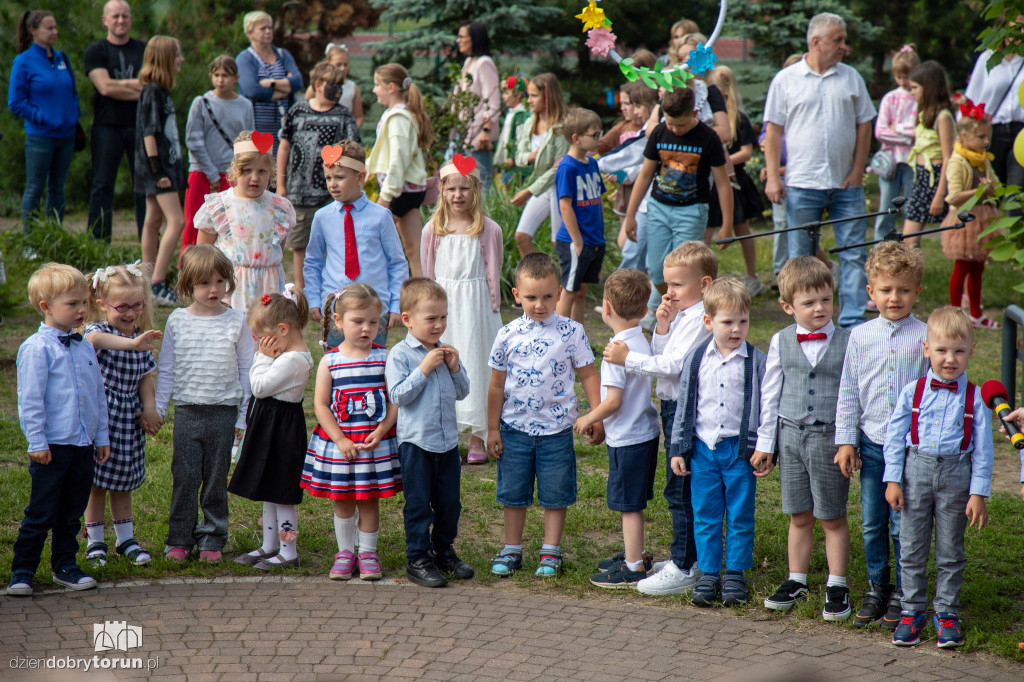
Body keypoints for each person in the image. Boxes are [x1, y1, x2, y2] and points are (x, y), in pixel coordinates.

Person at [602, 241, 715, 596]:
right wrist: (663, 325)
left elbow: (673, 367)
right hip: (672, 408)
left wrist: (627, 360)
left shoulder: (700, 319)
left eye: (678, 285)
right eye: (667, 285)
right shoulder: (684, 315)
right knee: (677, 486)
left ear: (705, 284)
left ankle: (685, 567)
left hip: (685, 410)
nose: (670, 292)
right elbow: (663, 354)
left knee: (680, 488)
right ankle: (687, 558)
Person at [486, 253, 603, 577]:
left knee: (555, 492)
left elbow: (589, 375)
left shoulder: (572, 331)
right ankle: (512, 549)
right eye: (531, 297)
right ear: (516, 295)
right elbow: (496, 386)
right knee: (513, 492)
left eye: (548, 296)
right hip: (514, 429)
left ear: (560, 293)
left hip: (557, 431)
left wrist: (596, 415)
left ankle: (551, 551)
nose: (540, 304)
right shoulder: (507, 334)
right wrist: (492, 429)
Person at [884, 306, 992, 648]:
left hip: (957, 474)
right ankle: (911, 609)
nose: (950, 359)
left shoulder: (975, 398)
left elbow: (984, 450)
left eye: (959, 351)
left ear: (971, 352)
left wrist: (978, 493)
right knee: (911, 545)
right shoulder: (911, 391)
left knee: (950, 548)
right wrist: (893, 479)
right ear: (926, 348)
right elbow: (894, 437)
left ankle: (946, 612)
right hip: (916, 469)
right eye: (942, 350)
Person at [752, 256, 853, 621]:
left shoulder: (847, 341)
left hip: (829, 439)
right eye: (808, 303)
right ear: (787, 306)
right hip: (790, 436)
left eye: (826, 300)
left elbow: (849, 396)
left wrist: (848, 441)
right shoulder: (780, 341)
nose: (819, 308)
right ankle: (797, 579)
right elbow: (770, 393)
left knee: (832, 515)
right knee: (799, 514)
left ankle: (837, 583)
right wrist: (766, 443)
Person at [834, 241, 928, 630]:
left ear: (917, 291)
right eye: (886, 290)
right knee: (872, 521)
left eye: (904, 290)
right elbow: (849, 390)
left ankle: (906, 593)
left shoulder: (925, 336)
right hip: (871, 443)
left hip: (910, 449)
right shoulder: (859, 336)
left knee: (901, 524)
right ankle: (878, 586)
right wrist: (846, 440)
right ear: (871, 292)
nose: (895, 297)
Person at [763, 13, 876, 330]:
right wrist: (773, 177)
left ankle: (852, 323)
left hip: (846, 186)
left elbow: (865, 123)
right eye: (838, 40)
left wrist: (857, 169)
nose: (844, 46)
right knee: (801, 261)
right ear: (816, 42)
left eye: (843, 39)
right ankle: (807, 325)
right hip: (801, 185)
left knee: (853, 254)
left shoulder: (851, 78)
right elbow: (772, 131)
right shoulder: (786, 79)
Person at [7, 264, 110, 597]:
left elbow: (98, 395)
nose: (81, 310)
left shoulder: (83, 347)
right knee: (41, 511)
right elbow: (31, 400)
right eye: (72, 304)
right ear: (46, 307)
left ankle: (65, 566)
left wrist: (102, 436)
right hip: (52, 445)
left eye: (84, 303)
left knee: (71, 512)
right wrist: (36, 440)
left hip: (82, 445)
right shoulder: (37, 349)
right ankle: (22, 570)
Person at [668, 278, 768, 606]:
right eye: (728, 322)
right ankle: (709, 572)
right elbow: (684, 406)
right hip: (702, 449)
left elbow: (767, 407)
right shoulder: (697, 359)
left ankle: (735, 573)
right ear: (709, 322)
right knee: (705, 512)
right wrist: (679, 449)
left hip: (739, 451)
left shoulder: (756, 361)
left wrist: (766, 448)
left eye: (743, 321)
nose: (736, 329)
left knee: (739, 513)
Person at [155, 245, 255, 563]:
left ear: (228, 282)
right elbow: (167, 370)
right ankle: (180, 538)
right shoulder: (177, 321)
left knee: (215, 478)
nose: (213, 290)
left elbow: (246, 372)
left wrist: (242, 418)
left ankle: (212, 536)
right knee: (185, 476)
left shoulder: (238, 321)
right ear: (188, 285)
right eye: (203, 283)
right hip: (187, 411)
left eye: (219, 281)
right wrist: (157, 410)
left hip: (224, 410)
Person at [302, 285, 400, 581]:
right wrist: (340, 439)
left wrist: (383, 429)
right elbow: (320, 405)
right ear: (339, 320)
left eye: (373, 322)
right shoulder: (330, 361)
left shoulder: (385, 357)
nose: (366, 328)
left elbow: (395, 400)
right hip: (341, 443)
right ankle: (345, 553)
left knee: (369, 498)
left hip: (374, 443)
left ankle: (368, 554)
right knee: (343, 499)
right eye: (358, 321)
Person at [385, 278, 473, 587]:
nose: (439, 324)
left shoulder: (445, 351)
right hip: (417, 444)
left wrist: (455, 367)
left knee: (450, 503)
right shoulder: (401, 355)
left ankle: (443, 550)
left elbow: (463, 392)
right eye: (431, 318)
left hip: (448, 443)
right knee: (420, 503)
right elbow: (398, 396)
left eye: (443, 317)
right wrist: (423, 369)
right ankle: (418, 558)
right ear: (407, 319)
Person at [576, 269, 661, 589]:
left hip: (628, 438)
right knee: (632, 501)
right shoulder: (640, 339)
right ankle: (632, 551)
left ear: (606, 308)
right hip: (645, 431)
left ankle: (634, 564)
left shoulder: (615, 351)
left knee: (629, 505)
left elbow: (612, 402)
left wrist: (588, 418)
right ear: (643, 311)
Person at [420, 160, 503, 464]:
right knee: (443, 364)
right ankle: (448, 436)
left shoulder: (488, 229)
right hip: (445, 308)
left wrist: (492, 306)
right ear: (441, 190)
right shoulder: (433, 230)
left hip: (477, 307)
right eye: (451, 188)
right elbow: (428, 274)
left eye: (464, 187)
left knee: (477, 364)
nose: (458, 194)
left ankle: (478, 435)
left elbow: (495, 268)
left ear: (476, 190)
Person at [82, 261, 163, 568]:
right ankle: (95, 542)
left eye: (137, 306)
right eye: (123, 306)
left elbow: (145, 378)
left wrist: (150, 409)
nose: (131, 313)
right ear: (102, 305)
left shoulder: (141, 337)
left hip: (128, 418)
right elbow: (92, 341)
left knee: (122, 481)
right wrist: (132, 343)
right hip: (101, 418)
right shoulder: (98, 330)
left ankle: (125, 538)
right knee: (97, 483)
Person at [622, 86, 733, 307]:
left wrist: (727, 224)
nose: (674, 129)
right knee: (656, 269)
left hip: (692, 211)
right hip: (658, 208)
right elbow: (644, 175)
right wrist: (630, 215)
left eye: (680, 124)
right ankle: (673, 307)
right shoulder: (659, 133)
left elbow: (722, 183)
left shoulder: (708, 138)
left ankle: (682, 313)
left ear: (694, 113)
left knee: (685, 270)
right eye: (669, 122)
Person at [229, 288, 313, 571]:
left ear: (282, 329)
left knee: (281, 493)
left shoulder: (294, 360)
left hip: (282, 434)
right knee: (268, 489)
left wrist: (262, 358)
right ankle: (269, 545)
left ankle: (288, 551)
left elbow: (260, 387)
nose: (260, 344)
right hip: (271, 428)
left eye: (262, 337)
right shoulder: (288, 354)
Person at [303, 140, 409, 349]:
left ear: (360, 177)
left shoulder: (381, 216)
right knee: (337, 366)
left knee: (374, 366)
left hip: (375, 310)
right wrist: (314, 300)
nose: (332, 183)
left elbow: (397, 262)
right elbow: (313, 262)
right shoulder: (322, 217)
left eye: (340, 178)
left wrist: (396, 304)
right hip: (337, 309)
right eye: (328, 178)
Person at [278, 61, 360, 292]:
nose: (337, 89)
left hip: (333, 195)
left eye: (339, 85)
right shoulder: (298, 110)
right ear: (318, 84)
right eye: (332, 84)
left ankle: (335, 291)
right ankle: (303, 294)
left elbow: (354, 152)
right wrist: (281, 184)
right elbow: (284, 146)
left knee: (337, 243)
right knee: (300, 246)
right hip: (299, 193)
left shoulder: (344, 116)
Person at [195, 131, 296, 314]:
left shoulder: (280, 207)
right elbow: (202, 254)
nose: (255, 177)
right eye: (247, 171)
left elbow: (277, 248)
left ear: (271, 172)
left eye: (261, 171)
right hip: (231, 287)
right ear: (234, 169)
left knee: (267, 336)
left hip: (269, 286)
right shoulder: (220, 206)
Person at [8, 11, 80, 234]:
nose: (54, 32)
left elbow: (71, 92)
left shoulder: (61, 58)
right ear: (34, 30)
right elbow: (16, 102)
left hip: (65, 135)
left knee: (57, 188)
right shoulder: (24, 62)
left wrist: (72, 117)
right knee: (35, 188)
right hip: (40, 136)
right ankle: (31, 241)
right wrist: (41, 117)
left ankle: (54, 235)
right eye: (49, 28)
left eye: (55, 27)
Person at [181, 56, 255, 260]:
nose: (221, 80)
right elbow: (194, 141)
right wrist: (212, 173)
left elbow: (248, 141)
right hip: (202, 172)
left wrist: (242, 171)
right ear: (211, 76)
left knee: (230, 223)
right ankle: (189, 268)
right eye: (217, 75)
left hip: (232, 173)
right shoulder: (201, 103)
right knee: (195, 222)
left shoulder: (245, 105)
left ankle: (223, 265)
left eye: (226, 75)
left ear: (236, 78)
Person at [85, 0, 147, 242]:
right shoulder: (96, 51)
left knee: (143, 185)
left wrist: (115, 85)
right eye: (115, 16)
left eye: (124, 16)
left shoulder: (144, 49)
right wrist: (135, 87)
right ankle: (99, 240)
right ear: (105, 20)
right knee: (102, 183)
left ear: (131, 19)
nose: (120, 21)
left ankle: (148, 238)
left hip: (141, 126)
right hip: (106, 126)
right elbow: (104, 87)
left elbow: (150, 86)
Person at [366, 63, 434, 278]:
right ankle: (425, 298)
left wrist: (386, 197)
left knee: (369, 242)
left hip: (399, 192)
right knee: (414, 251)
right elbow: (386, 153)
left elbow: (397, 161)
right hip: (409, 192)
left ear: (392, 87)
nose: (374, 90)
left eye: (378, 85)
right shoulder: (399, 115)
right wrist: (366, 168)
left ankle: (376, 295)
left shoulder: (397, 118)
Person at [941, 103, 1002, 330]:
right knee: (962, 266)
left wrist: (993, 189)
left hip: (983, 217)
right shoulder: (958, 162)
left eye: (987, 137)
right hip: (964, 219)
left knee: (978, 267)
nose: (986, 142)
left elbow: (995, 184)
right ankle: (955, 313)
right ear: (964, 136)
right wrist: (980, 191)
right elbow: (954, 196)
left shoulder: (983, 159)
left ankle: (975, 313)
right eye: (981, 137)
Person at [136, 36, 185, 307]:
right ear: (166, 57)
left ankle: (145, 283)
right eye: (177, 55)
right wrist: (157, 170)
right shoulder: (153, 90)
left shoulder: (161, 90)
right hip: (158, 170)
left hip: (163, 169)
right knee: (177, 221)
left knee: (154, 220)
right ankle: (156, 282)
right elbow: (149, 133)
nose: (181, 60)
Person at [707, 66, 764, 296]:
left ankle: (752, 276)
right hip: (711, 180)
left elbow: (747, 151)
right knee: (707, 228)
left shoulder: (739, 119)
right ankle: (704, 280)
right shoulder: (708, 117)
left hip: (734, 181)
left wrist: (723, 160)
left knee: (742, 230)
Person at [555, 107, 606, 324]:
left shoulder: (592, 163)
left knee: (581, 292)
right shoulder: (567, 167)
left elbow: (598, 199)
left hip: (594, 240)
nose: (599, 139)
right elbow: (565, 206)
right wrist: (577, 241)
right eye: (595, 135)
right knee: (569, 291)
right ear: (576, 138)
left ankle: (577, 342)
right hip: (576, 242)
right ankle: (555, 341)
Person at [511, 73, 569, 257]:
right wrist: (531, 156)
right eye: (528, 95)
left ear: (548, 97)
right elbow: (518, 156)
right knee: (522, 236)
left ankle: (563, 285)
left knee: (558, 244)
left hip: (559, 187)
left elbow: (557, 170)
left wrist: (528, 191)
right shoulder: (530, 122)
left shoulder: (561, 127)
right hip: (541, 187)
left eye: (534, 96)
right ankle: (535, 281)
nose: (529, 101)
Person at [901, 60, 955, 247]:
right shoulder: (923, 112)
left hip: (939, 177)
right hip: (922, 177)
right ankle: (911, 273)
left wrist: (940, 195)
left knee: (954, 235)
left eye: (915, 87)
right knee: (908, 240)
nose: (912, 92)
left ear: (929, 88)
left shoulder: (943, 116)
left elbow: (949, 156)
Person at [964, 22, 1024, 187]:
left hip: (1021, 132)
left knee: (1016, 192)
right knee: (990, 189)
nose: (1021, 32)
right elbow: (972, 99)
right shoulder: (988, 58)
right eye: (1017, 27)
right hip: (992, 132)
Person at [236, 10, 302, 156]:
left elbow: (297, 82)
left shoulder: (283, 55)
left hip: (284, 127)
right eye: (262, 28)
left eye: (269, 28)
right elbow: (252, 90)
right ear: (249, 32)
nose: (268, 32)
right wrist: (285, 88)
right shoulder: (245, 59)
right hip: (257, 128)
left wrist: (271, 83)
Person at [872, 45, 920, 242]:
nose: (904, 82)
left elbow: (920, 132)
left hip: (912, 161)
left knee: (911, 208)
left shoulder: (920, 98)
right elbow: (880, 132)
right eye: (899, 77)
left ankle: (911, 253)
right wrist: (909, 136)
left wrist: (897, 129)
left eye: (907, 77)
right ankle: (881, 251)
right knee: (886, 208)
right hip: (889, 162)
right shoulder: (890, 98)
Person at [454, 21, 501, 191]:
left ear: (474, 38)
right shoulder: (468, 63)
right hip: (464, 134)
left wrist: (486, 132)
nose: (458, 40)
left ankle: (486, 215)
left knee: (481, 180)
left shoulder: (484, 63)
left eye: (462, 36)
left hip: (478, 135)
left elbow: (493, 101)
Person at [304, 43, 364, 128]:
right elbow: (306, 110)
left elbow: (358, 116)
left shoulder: (353, 87)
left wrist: (351, 132)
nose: (343, 68)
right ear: (328, 63)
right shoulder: (316, 87)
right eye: (338, 65)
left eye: (345, 65)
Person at [494, 74, 531, 184]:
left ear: (519, 95)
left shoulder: (522, 114)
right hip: (509, 163)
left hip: (518, 167)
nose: (503, 97)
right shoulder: (511, 113)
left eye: (506, 93)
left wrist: (513, 158)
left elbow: (521, 139)